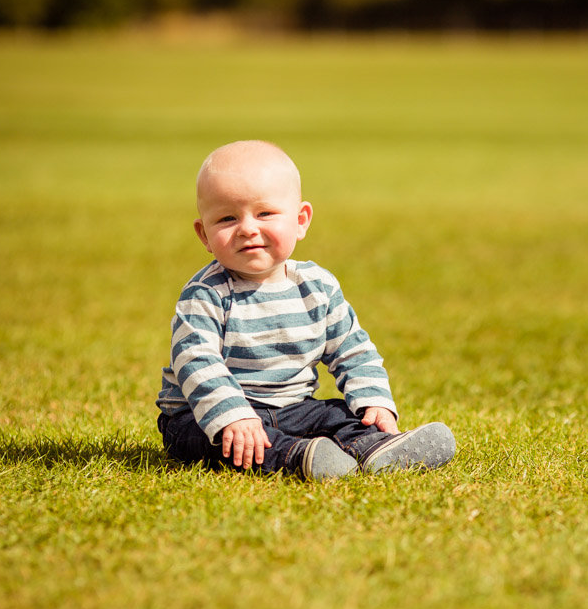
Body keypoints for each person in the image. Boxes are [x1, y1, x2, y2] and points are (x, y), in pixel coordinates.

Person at [155, 140, 455, 480]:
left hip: (292, 408)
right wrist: (234, 414)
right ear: (204, 234)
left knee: (338, 414)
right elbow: (195, 360)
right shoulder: (206, 293)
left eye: (265, 213)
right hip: (202, 414)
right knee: (228, 440)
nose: (248, 228)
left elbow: (351, 351)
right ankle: (296, 457)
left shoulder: (317, 286)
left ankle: (375, 446)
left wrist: (375, 402)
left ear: (300, 220)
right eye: (227, 218)